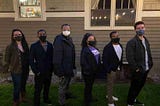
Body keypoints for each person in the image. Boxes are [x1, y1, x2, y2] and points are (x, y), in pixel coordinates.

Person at [126, 21, 153, 106]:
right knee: (134, 87)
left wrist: (150, 63)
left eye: (142, 28)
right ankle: (130, 103)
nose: (141, 29)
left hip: (146, 68)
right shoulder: (132, 42)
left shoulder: (146, 40)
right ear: (135, 30)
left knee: (140, 86)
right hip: (138, 70)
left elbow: (148, 52)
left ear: (145, 28)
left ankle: (133, 99)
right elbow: (130, 57)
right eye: (138, 28)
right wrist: (136, 69)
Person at [3, 29, 29, 106]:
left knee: (23, 84)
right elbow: (6, 59)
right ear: (13, 36)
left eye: (19, 34)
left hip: (25, 69)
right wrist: (5, 69)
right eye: (16, 35)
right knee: (17, 86)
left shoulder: (25, 44)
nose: (18, 36)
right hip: (15, 70)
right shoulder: (10, 46)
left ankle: (23, 97)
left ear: (22, 35)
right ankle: (16, 100)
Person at [53, 24, 76, 106]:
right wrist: (59, 71)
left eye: (68, 29)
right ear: (61, 30)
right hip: (62, 68)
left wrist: (73, 66)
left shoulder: (69, 39)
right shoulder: (59, 40)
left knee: (67, 84)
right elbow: (57, 57)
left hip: (69, 67)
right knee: (62, 86)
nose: (67, 31)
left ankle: (67, 95)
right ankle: (62, 102)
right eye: (65, 29)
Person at [29, 29, 53, 106]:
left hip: (48, 71)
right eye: (40, 34)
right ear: (38, 36)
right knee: (38, 89)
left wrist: (52, 69)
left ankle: (46, 99)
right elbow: (31, 60)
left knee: (47, 87)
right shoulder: (34, 46)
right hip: (39, 71)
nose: (42, 35)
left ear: (46, 35)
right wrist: (35, 71)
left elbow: (52, 57)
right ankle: (36, 102)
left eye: (44, 34)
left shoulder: (50, 45)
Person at [102, 31, 123, 106]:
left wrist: (120, 68)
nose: (116, 37)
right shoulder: (108, 47)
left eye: (117, 36)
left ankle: (109, 95)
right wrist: (108, 69)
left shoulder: (120, 45)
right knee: (110, 85)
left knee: (112, 84)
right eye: (114, 36)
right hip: (111, 70)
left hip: (117, 68)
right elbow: (104, 59)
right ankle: (110, 102)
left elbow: (120, 57)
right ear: (111, 38)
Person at [80, 33, 101, 106]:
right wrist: (90, 70)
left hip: (94, 71)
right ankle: (86, 101)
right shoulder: (85, 50)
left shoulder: (95, 48)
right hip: (88, 72)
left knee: (90, 86)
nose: (92, 41)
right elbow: (83, 62)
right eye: (90, 39)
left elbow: (97, 59)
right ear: (86, 41)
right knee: (88, 87)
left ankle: (90, 97)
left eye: (93, 39)